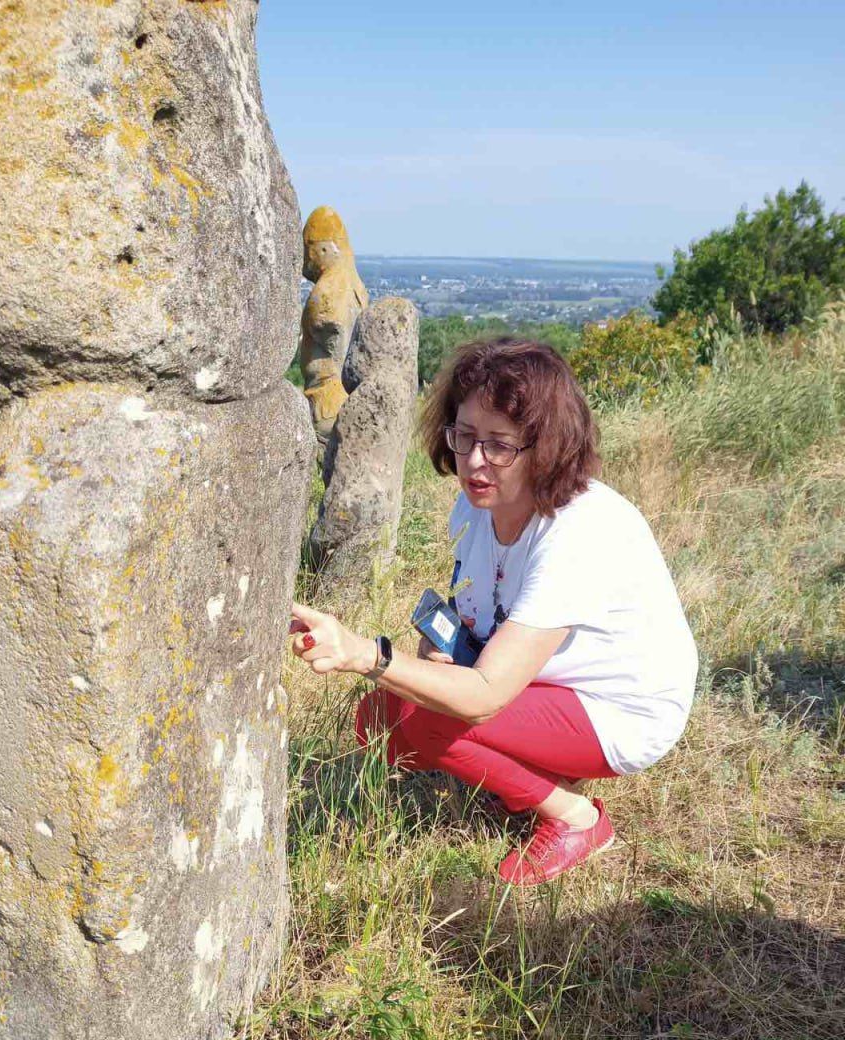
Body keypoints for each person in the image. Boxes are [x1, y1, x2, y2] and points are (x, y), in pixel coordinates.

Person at [289, 339, 699, 886]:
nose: (475, 461)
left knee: (435, 715)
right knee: (381, 722)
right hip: (546, 682)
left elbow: (482, 696)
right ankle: (531, 770)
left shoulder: (578, 532)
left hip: (620, 711)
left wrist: (367, 654)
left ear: (547, 447)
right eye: (465, 436)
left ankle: (577, 819)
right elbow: (476, 601)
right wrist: (440, 650)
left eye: (500, 445)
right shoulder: (481, 501)